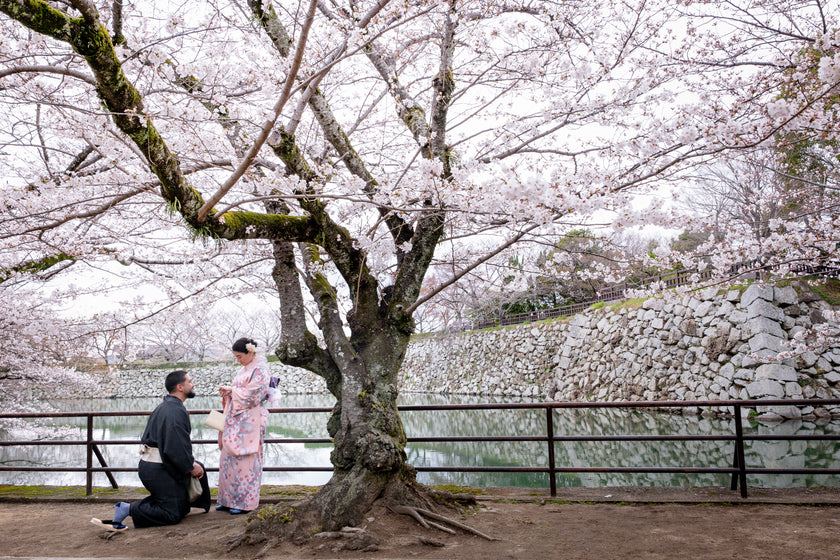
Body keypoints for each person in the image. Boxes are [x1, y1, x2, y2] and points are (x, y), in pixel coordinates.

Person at [90, 370, 210, 531]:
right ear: (180, 387)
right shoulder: (174, 411)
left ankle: (174, 501)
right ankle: (127, 509)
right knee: (172, 514)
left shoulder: (167, 407)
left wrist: (191, 464)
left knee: (181, 507)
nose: (193, 384)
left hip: (155, 466)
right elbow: (175, 446)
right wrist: (189, 466)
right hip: (158, 470)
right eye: (190, 381)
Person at [215, 337, 270, 515]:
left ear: (250, 352)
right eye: (236, 357)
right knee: (227, 458)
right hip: (236, 418)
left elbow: (254, 395)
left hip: (250, 419)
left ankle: (243, 503)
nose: (238, 360)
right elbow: (241, 391)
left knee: (246, 462)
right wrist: (229, 393)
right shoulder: (244, 369)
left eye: (240, 356)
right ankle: (227, 499)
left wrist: (232, 391)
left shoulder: (261, 369)